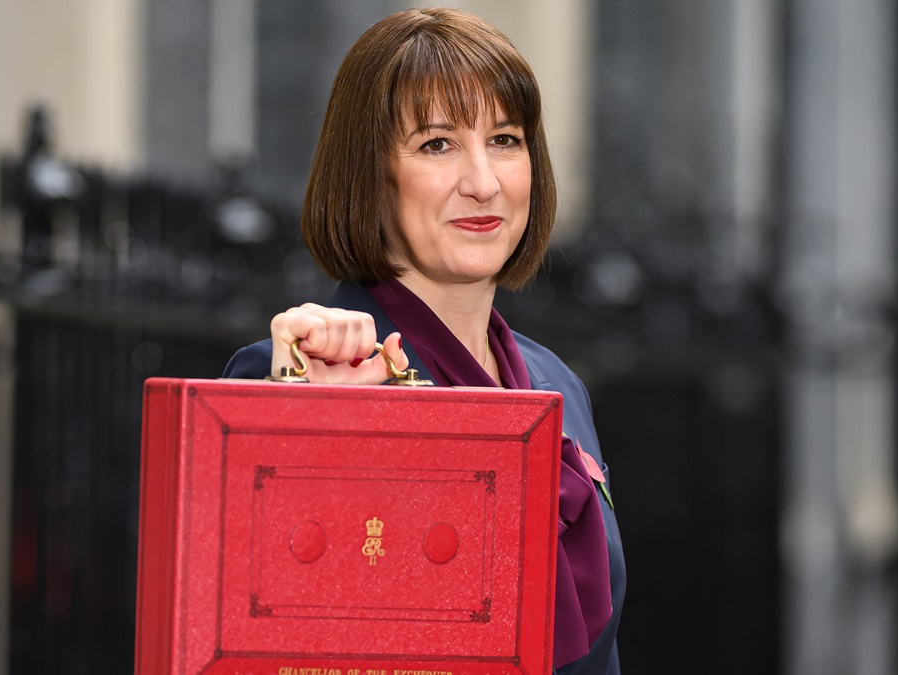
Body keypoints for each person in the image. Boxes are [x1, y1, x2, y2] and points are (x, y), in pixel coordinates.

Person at [223, 8, 624, 674]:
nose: (483, 182)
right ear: (371, 176)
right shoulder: (300, 371)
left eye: (505, 139)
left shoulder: (559, 386)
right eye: (437, 144)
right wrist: (303, 420)